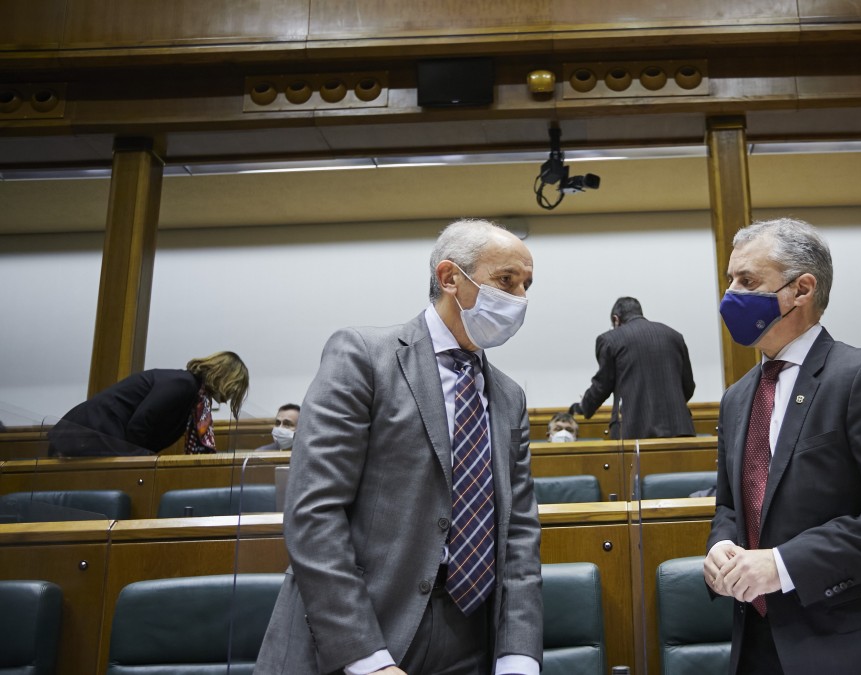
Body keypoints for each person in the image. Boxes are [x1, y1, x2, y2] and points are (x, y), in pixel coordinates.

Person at [256, 219, 542, 675]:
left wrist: (518, 655)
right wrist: (365, 658)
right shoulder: (363, 357)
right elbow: (314, 512)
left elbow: (519, 534)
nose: (520, 299)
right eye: (506, 281)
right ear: (450, 278)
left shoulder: (509, 396)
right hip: (363, 629)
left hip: (470, 635)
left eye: (526, 285)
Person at [704, 218, 861, 674]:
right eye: (730, 280)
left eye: (747, 281)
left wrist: (784, 564)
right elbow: (730, 506)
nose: (729, 295)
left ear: (802, 289)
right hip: (757, 647)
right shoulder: (737, 398)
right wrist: (721, 546)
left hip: (856, 647)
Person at [47, 352, 249, 457]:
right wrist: (144, 462)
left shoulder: (191, 394)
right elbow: (140, 424)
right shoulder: (184, 384)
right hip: (90, 434)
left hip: (97, 436)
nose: (233, 395)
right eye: (235, 387)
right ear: (226, 378)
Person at [569, 297, 696, 440]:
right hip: (680, 430)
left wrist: (583, 407)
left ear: (616, 319)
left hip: (633, 431)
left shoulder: (610, 340)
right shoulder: (675, 336)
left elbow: (602, 386)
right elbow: (688, 387)